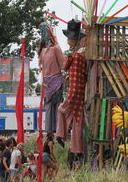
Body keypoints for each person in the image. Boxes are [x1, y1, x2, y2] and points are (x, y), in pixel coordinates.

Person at [56, 19, 87, 165]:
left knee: (62, 109)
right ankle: (77, 150)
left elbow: (64, 67)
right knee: (78, 121)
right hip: (81, 91)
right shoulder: (82, 57)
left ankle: (60, 134)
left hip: (74, 90)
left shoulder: (73, 57)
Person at [38, 21, 66, 132]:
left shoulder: (56, 48)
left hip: (57, 80)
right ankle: (49, 131)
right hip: (47, 82)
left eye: (43, 31)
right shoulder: (42, 50)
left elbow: (63, 63)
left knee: (57, 105)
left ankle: (59, 130)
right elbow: (42, 67)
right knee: (49, 106)